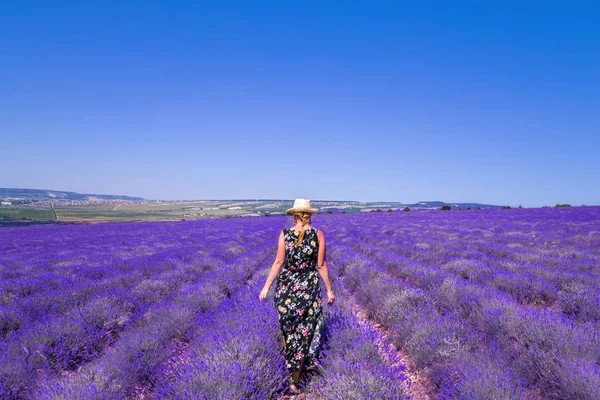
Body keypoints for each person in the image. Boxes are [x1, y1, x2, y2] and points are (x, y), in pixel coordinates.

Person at [259, 198, 335, 394]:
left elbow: (278, 263)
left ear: (294, 215)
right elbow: (321, 265)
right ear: (309, 215)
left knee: (289, 331)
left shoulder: (284, 234)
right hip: (308, 290)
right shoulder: (318, 235)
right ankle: (296, 378)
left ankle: (290, 370)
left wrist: (266, 287)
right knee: (306, 332)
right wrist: (329, 290)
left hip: (286, 289)